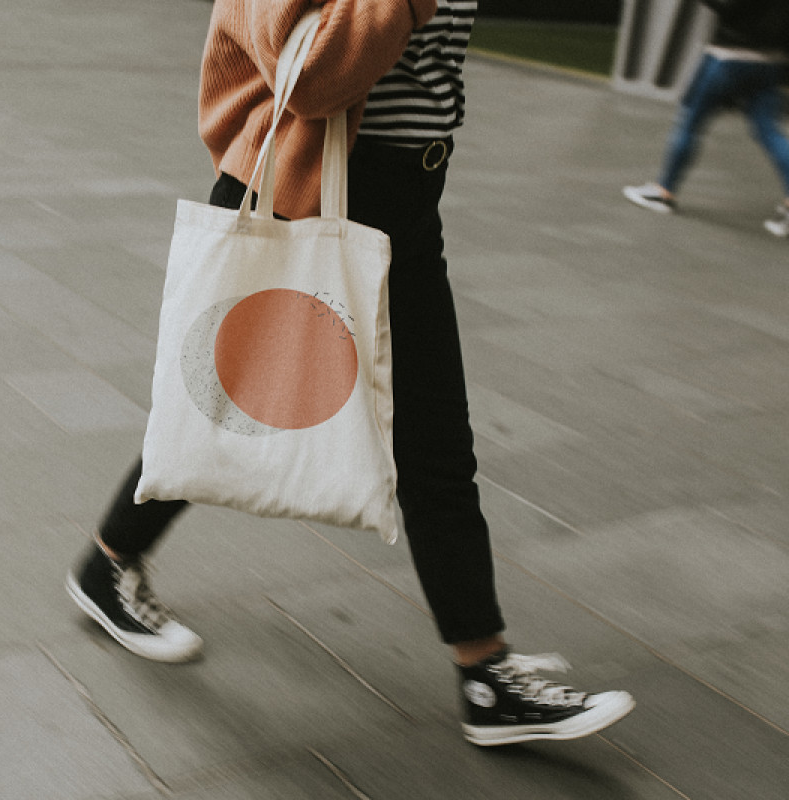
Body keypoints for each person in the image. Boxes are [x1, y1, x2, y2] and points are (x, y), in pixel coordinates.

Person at [67, 0, 636, 746]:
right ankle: (108, 566)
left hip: (405, 195)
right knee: (224, 409)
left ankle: (485, 674)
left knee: (428, 436)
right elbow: (309, 75)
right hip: (301, 190)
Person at [624, 0, 789, 237]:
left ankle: (663, 193)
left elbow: (729, 6)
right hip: (768, 62)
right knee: (770, 132)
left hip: (727, 58)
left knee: (690, 121)